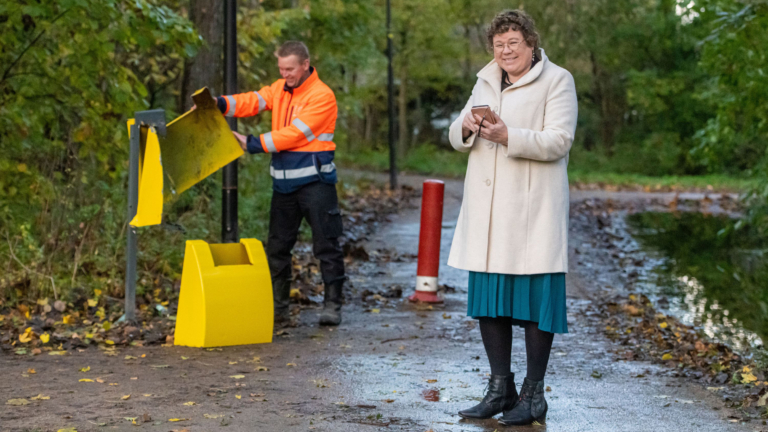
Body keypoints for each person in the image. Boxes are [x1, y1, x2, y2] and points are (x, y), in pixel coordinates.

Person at [447, 10, 577, 426]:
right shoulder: (486, 79)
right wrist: (466, 125)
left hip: (532, 210)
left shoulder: (558, 80)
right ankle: (500, 388)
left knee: (537, 305)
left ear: (531, 44)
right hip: (488, 213)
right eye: (499, 45)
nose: (505, 52)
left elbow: (560, 140)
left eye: (513, 44)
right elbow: (456, 137)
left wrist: (510, 136)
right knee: (491, 303)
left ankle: (533, 396)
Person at [217, 41, 345, 327]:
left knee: (326, 245)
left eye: (290, 69)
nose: (285, 74)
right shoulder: (279, 89)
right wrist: (221, 103)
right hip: (284, 185)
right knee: (277, 248)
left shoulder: (321, 96)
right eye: (281, 69)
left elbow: (294, 134)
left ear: (305, 64)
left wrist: (253, 143)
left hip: (316, 184)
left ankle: (332, 305)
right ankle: (279, 310)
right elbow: (253, 100)